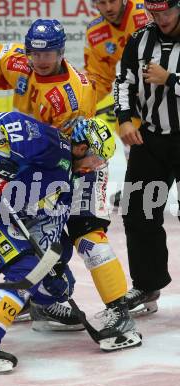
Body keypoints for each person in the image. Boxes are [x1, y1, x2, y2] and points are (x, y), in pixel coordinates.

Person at [0, 112, 133, 372]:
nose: (96, 166)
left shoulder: (69, 177)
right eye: (96, 158)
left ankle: (41, 308)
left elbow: (50, 230)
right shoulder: (51, 144)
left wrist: (52, 270)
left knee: (59, 277)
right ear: (80, 148)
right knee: (27, 271)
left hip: (1, 216)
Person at [114, 0, 180, 315]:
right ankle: (146, 285)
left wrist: (170, 79)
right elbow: (123, 83)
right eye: (155, 13)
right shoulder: (140, 39)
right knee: (138, 212)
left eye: (167, 12)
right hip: (151, 137)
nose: (162, 19)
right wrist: (125, 118)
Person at [0, 19, 96, 133]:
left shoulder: (74, 99)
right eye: (35, 54)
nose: (41, 61)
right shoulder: (17, 61)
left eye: (48, 54)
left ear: (61, 53)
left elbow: (73, 154)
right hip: (21, 144)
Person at [84, 0, 149, 206]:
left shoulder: (145, 12)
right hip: (133, 95)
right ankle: (138, 186)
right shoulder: (95, 33)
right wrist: (82, 104)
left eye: (112, 1)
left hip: (164, 86)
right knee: (130, 135)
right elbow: (99, 78)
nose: (108, 8)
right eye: (102, 3)